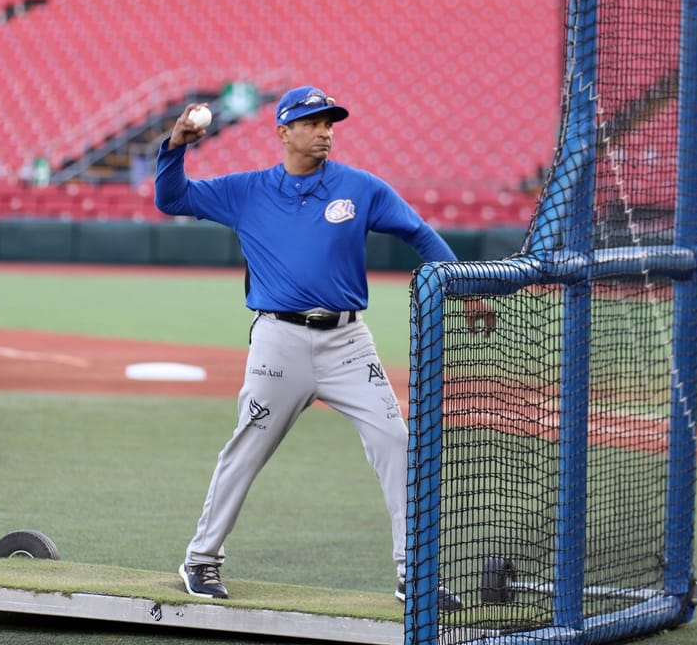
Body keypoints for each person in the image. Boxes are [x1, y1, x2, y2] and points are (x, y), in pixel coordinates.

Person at [154, 85, 495, 611]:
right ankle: (201, 559)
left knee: (395, 441)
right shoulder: (246, 191)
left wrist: (464, 286)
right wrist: (175, 145)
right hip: (279, 341)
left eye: (330, 122)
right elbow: (172, 198)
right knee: (249, 447)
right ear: (284, 132)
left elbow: (420, 234)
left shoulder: (360, 189)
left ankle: (414, 574)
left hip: (348, 341)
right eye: (313, 122)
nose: (325, 131)